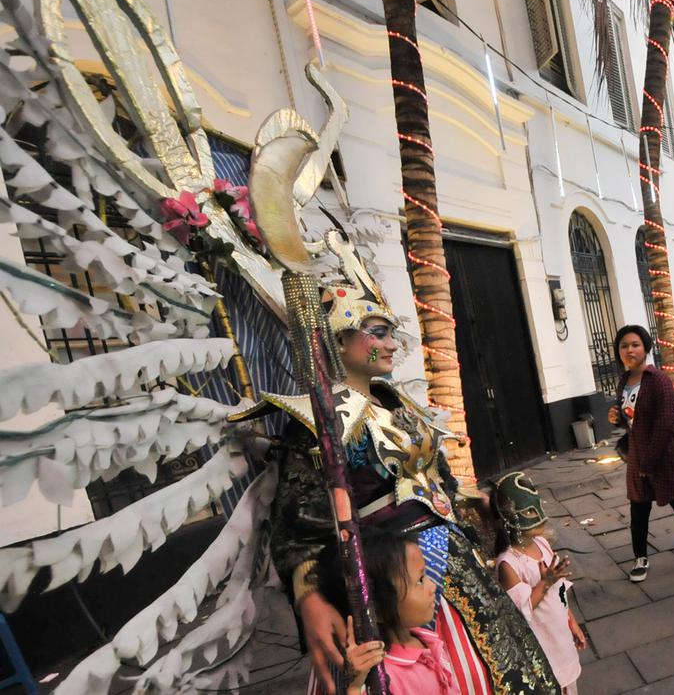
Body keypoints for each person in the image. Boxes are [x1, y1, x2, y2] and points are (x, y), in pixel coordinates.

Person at [236, 235, 559, 695]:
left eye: (391, 332)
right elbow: (299, 529)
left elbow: (440, 481)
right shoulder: (315, 422)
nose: (391, 343)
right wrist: (310, 598)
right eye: (378, 332)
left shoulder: (397, 403)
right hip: (391, 586)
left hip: (452, 567)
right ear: (339, 339)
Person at [608, 325, 674, 587]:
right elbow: (632, 423)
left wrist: (649, 462)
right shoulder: (623, 382)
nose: (629, 350)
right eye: (624, 346)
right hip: (638, 457)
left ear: (646, 348)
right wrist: (617, 419)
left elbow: (664, 424)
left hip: (665, 457)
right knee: (638, 510)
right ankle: (640, 558)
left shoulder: (658, 380)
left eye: (635, 345)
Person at [334, 530, 460, 695]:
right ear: (377, 609)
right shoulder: (384, 678)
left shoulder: (426, 640)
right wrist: (354, 688)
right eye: (420, 580)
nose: (432, 586)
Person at [494, 473, 586, 695]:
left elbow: (559, 592)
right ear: (510, 518)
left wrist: (571, 621)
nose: (542, 517)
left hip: (560, 637)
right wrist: (544, 583)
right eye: (529, 511)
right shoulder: (509, 564)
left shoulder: (542, 543)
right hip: (542, 645)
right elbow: (520, 611)